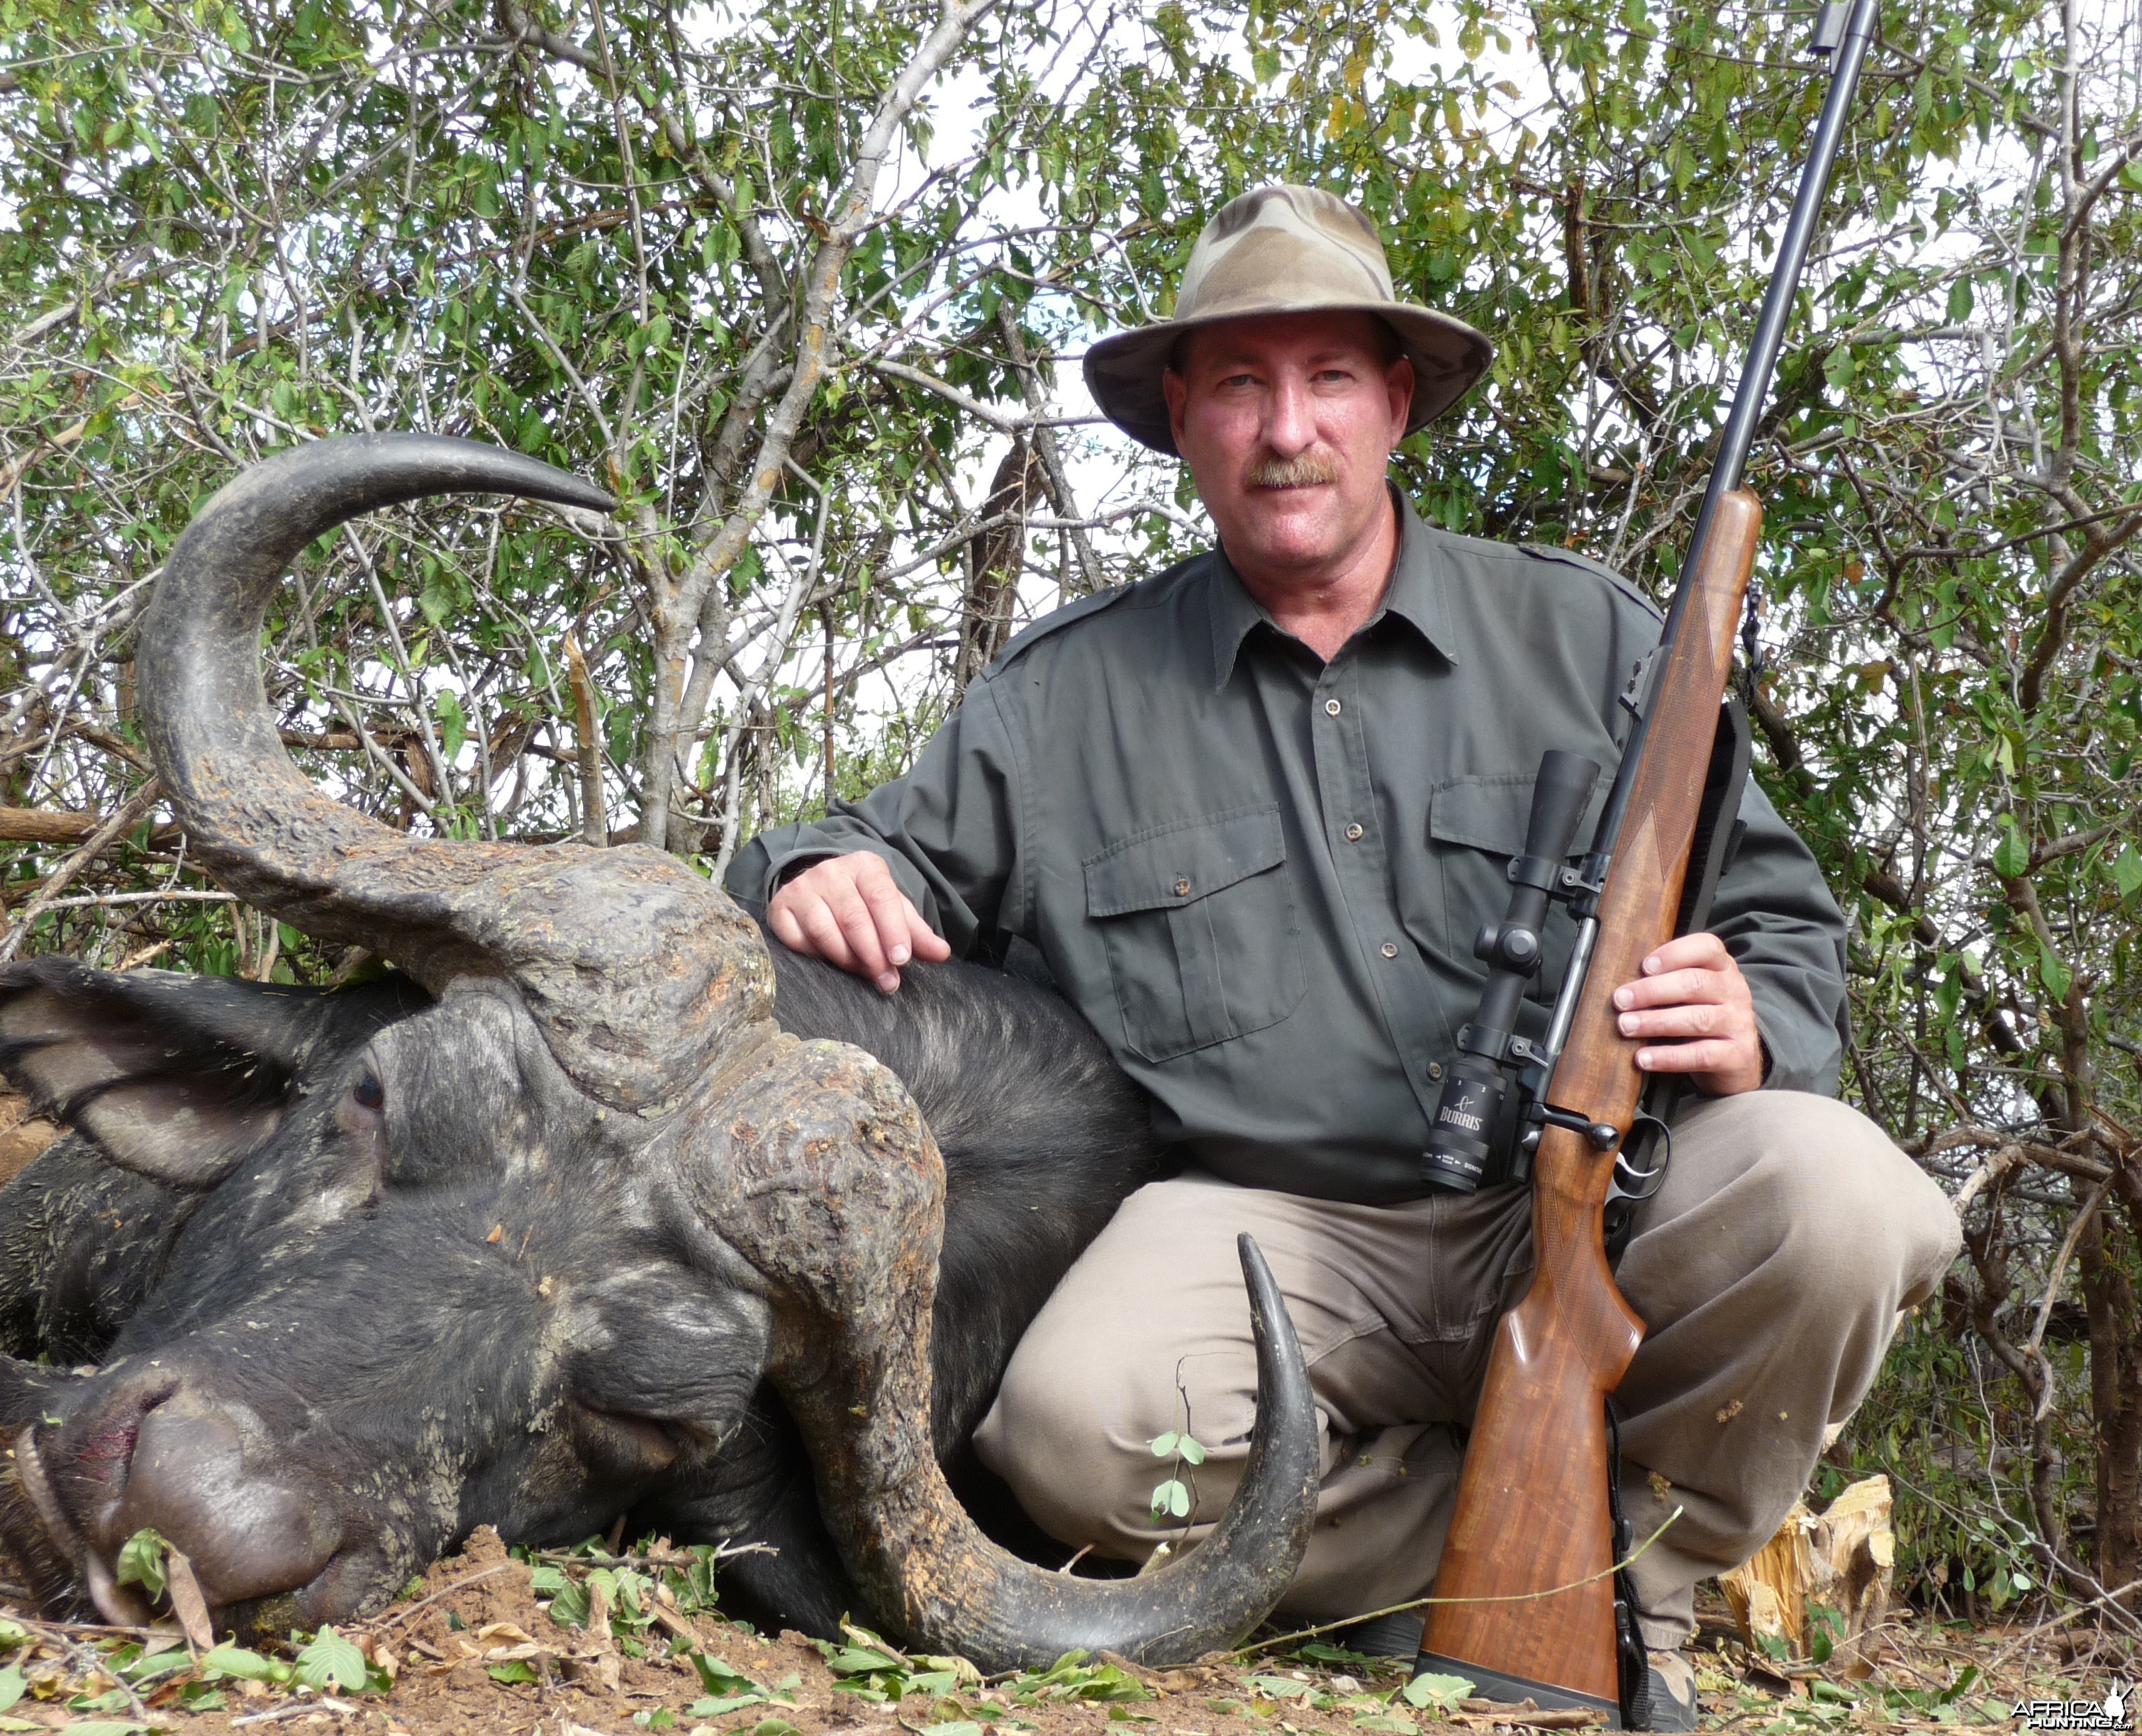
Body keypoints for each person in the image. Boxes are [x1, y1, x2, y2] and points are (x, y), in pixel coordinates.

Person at [723, 184, 1960, 1730]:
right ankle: (1485, 1569)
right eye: (1239, 383)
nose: (1284, 428)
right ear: (1182, 419)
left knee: (1844, 1201)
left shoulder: (1595, 639)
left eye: (1324, 381)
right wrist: (821, 870)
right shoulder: (1067, 697)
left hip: (1600, 1193)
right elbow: (862, 853)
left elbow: (1780, 921)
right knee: (1067, 1431)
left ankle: (1636, 1578)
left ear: (1393, 406)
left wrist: (1756, 1018)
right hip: (1274, 1240)